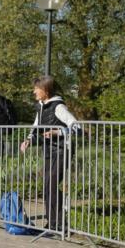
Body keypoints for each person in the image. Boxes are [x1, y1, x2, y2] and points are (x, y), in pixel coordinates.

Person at [19, 76, 81, 232]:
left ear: (45, 90)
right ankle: (53, 223)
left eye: (36, 89)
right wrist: (28, 140)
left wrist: (57, 131)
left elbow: (77, 128)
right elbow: (36, 127)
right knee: (48, 186)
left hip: (61, 151)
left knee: (51, 185)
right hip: (48, 151)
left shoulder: (58, 107)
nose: (34, 91)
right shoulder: (41, 107)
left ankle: (59, 224)